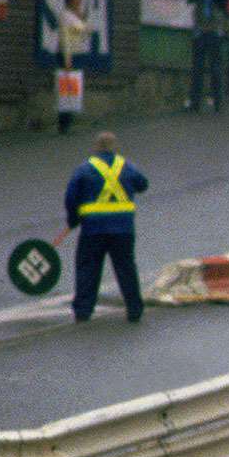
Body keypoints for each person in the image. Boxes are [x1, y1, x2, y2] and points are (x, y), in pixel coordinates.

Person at [63, 132, 147, 324]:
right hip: (123, 229)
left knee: (88, 269)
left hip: (93, 229)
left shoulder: (84, 169)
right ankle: (134, 309)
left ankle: (83, 311)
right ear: (114, 146)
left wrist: (73, 218)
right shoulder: (126, 166)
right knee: (126, 268)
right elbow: (143, 184)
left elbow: (71, 197)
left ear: (96, 147)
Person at [186, 0, 229, 113]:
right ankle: (195, 101)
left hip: (215, 31)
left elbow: (223, 3)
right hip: (200, 31)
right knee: (197, 68)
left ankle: (218, 101)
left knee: (216, 68)